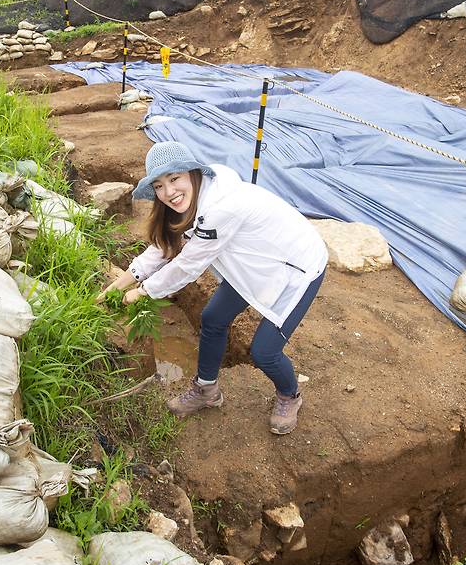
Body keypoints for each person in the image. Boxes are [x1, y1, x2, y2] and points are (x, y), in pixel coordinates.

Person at [99, 140, 328, 434]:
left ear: (193, 173)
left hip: (296, 265)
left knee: (264, 352)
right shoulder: (193, 197)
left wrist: (142, 292)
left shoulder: (220, 207)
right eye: (158, 186)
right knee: (212, 319)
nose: (168, 193)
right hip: (254, 264)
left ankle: (290, 395)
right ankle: (207, 390)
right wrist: (116, 287)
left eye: (174, 179)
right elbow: (161, 250)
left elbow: (187, 266)